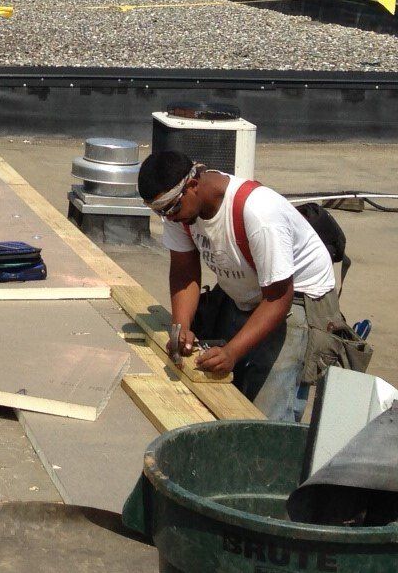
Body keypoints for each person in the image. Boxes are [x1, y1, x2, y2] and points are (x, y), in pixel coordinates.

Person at [138, 149, 346, 422]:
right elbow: (183, 270)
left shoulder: (258, 213)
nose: (169, 218)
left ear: (193, 183)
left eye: (172, 209)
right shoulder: (179, 211)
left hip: (298, 298)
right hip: (250, 289)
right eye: (161, 213)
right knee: (223, 393)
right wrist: (182, 327)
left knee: (267, 412)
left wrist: (232, 352)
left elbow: (279, 297)